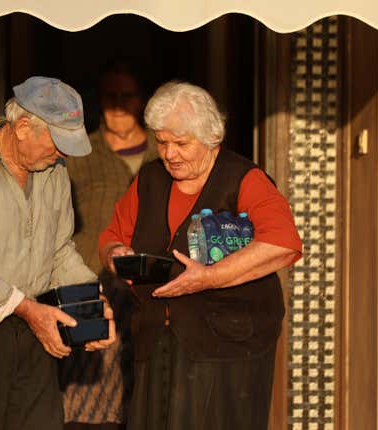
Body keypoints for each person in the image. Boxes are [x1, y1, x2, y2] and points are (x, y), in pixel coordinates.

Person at [99, 81, 303, 429]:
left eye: (181, 143)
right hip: (157, 342)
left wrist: (208, 277)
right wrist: (118, 255)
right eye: (162, 142)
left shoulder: (244, 179)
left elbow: (283, 243)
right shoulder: (149, 179)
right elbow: (111, 238)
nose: (170, 154)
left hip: (227, 350)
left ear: (211, 139)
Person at [0, 76, 116, 430]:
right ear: (24, 127)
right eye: (58, 143)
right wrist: (28, 309)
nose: (62, 154)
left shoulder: (53, 171)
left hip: (31, 326)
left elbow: (59, 251)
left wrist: (94, 303)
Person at [60, 61, 158, 429]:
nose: (118, 104)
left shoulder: (165, 156)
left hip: (149, 289)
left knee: (146, 392)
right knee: (87, 399)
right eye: (110, 96)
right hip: (88, 284)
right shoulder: (79, 156)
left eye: (127, 96)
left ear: (142, 100)